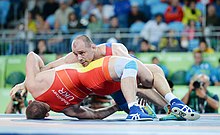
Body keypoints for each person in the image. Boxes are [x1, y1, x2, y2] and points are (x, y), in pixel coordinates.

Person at [40, 35, 199, 121]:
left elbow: (132, 67)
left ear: (93, 47)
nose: (79, 58)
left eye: (82, 53)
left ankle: (172, 105)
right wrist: (24, 84)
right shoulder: (75, 57)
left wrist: (144, 80)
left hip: (125, 85)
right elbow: (49, 66)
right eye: (76, 54)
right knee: (140, 81)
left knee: (150, 73)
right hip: (115, 92)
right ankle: (170, 104)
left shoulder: (115, 49)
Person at [11, 52, 199, 121]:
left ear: (47, 114)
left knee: (153, 71)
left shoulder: (66, 110)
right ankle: (163, 105)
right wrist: (27, 82)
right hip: (96, 76)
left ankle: (170, 106)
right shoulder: (36, 85)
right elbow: (32, 56)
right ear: (30, 102)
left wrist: (116, 107)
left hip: (101, 84)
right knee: (134, 75)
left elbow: (94, 115)